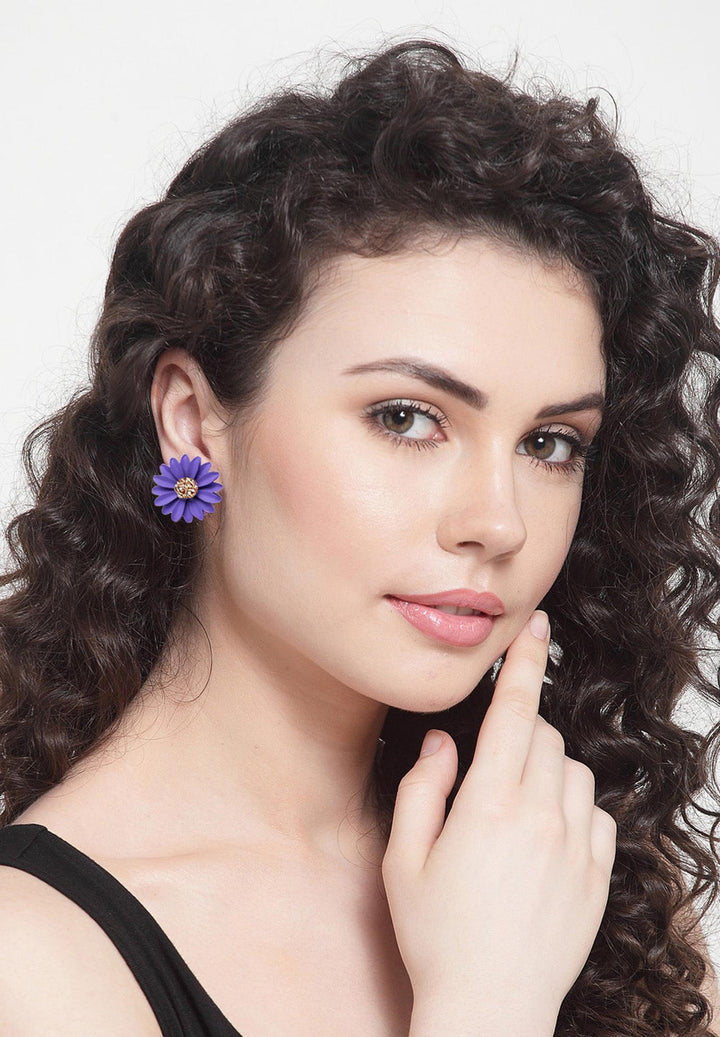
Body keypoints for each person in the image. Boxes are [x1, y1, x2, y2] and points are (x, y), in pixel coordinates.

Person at [0, 37, 718, 1037]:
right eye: (406, 417)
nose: (498, 520)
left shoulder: (552, 870)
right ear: (192, 420)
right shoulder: (28, 958)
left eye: (550, 442)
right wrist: (486, 1005)